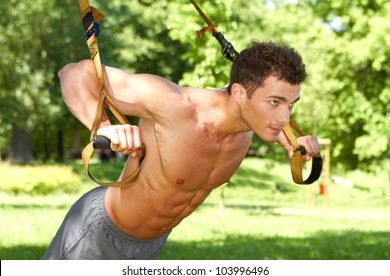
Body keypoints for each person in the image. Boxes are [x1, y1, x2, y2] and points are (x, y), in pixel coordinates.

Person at [42, 41, 320, 259]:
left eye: (291, 104)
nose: (285, 118)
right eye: (275, 102)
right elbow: (75, 73)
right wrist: (102, 125)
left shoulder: (251, 120)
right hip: (99, 233)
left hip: (150, 245)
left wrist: (291, 140)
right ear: (238, 93)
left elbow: (273, 112)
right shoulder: (175, 107)